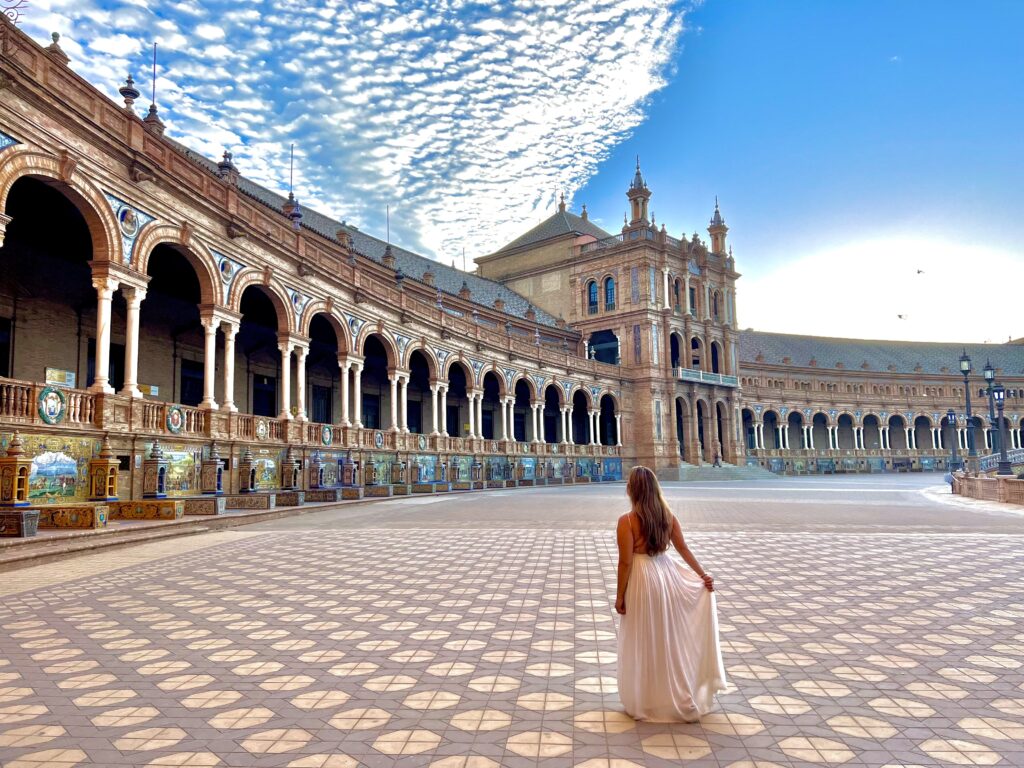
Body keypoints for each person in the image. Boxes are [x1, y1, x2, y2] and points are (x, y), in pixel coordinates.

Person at [615, 465, 727, 722]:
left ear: (632, 489)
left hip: (642, 579)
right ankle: (671, 692)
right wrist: (702, 575)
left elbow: (626, 562)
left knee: (643, 636)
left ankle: (646, 697)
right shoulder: (668, 516)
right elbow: (683, 549)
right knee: (666, 636)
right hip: (666, 575)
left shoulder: (627, 521)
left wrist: (620, 595)